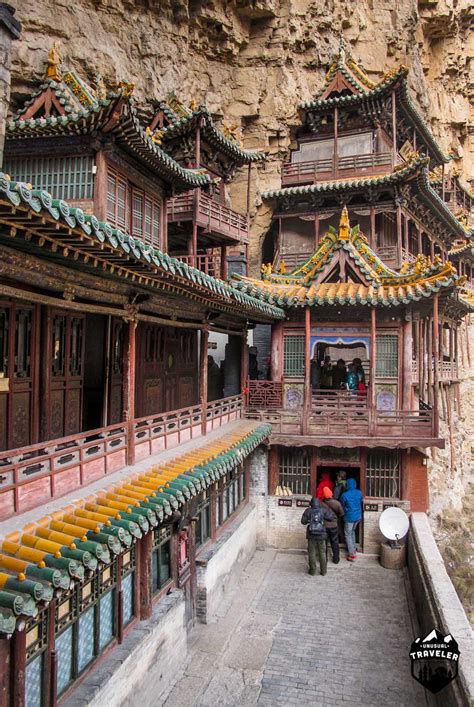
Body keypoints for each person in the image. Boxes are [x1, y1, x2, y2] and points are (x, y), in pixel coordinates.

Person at [301, 497, 336, 576]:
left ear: (311, 504)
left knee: (311, 552)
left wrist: (309, 520)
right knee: (322, 552)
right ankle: (323, 571)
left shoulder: (308, 511)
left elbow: (303, 522)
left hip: (311, 534)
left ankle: (312, 571)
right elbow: (331, 518)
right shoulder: (323, 510)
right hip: (322, 534)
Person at [340, 478, 363, 561]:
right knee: (352, 532)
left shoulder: (344, 495)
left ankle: (351, 554)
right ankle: (353, 548)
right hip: (357, 517)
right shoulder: (359, 493)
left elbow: (342, 505)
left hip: (349, 517)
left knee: (347, 534)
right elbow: (360, 502)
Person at [322, 487, 344, 563]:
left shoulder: (321, 504)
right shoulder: (337, 503)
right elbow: (341, 514)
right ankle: (336, 559)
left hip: (324, 526)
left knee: (324, 543)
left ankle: (325, 559)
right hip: (334, 526)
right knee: (335, 542)